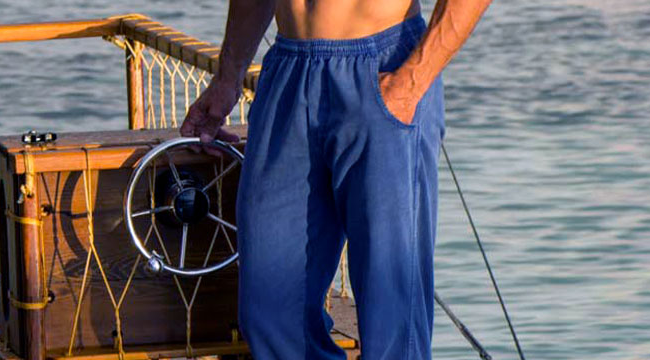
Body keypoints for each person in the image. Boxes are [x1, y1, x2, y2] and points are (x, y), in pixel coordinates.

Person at [178, 0, 490, 358]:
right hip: (288, 73)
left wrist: (412, 81)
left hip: (384, 67)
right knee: (271, 311)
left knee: (390, 310)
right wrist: (227, 77)